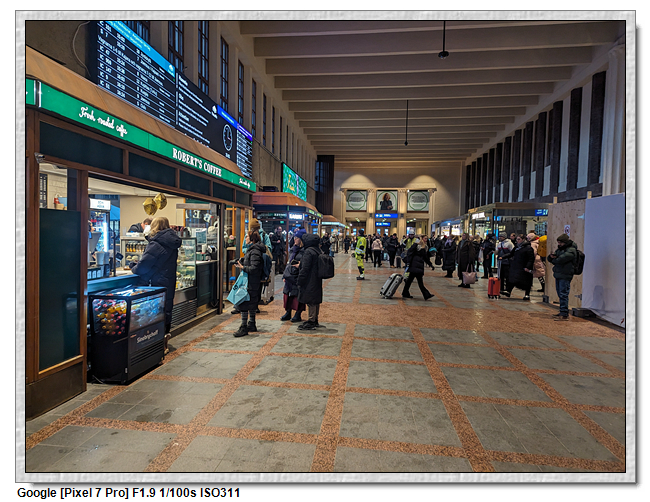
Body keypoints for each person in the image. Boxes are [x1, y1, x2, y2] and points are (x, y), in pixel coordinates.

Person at [129, 216, 181, 354]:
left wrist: (133, 267)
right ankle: (164, 342)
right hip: (168, 281)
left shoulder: (156, 244)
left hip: (156, 283)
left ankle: (154, 345)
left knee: (154, 313)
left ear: (154, 226)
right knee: (166, 310)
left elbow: (143, 267)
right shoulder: (172, 242)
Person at [232, 230, 266, 337]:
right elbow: (252, 262)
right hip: (252, 282)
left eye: (247, 236)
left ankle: (243, 327)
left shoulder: (255, 251)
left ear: (252, 239)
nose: (245, 238)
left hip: (251, 281)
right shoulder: (253, 250)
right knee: (251, 303)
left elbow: (254, 268)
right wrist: (241, 261)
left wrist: (242, 267)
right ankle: (251, 323)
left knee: (244, 302)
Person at [297, 233, 325, 330]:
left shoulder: (308, 252)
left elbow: (305, 268)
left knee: (311, 300)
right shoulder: (317, 250)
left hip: (310, 279)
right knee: (315, 300)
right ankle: (315, 319)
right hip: (317, 279)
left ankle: (311, 321)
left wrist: (300, 280)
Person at [547, 234, 578, 321]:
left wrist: (554, 259)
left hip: (565, 274)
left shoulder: (571, 250)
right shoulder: (561, 249)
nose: (559, 244)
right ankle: (562, 311)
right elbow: (551, 258)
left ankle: (564, 313)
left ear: (565, 242)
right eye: (558, 242)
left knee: (563, 294)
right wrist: (552, 257)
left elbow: (560, 260)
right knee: (560, 293)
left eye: (560, 242)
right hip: (559, 274)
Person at [281, 228, 306, 323]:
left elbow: (305, 264)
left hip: (297, 276)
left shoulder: (304, 251)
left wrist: (300, 265)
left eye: (297, 238)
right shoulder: (293, 249)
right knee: (287, 295)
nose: (294, 239)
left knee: (297, 296)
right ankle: (288, 312)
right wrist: (284, 275)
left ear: (301, 239)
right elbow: (289, 263)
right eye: (294, 237)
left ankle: (298, 314)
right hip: (289, 276)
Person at [500, 234, 535, 300]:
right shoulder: (517, 247)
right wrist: (503, 257)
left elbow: (531, 259)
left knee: (526, 281)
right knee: (513, 279)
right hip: (516, 266)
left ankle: (527, 294)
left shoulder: (528, 248)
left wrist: (528, 267)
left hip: (524, 267)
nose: (517, 241)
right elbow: (511, 254)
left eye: (519, 239)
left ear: (523, 239)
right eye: (517, 239)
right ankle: (508, 291)